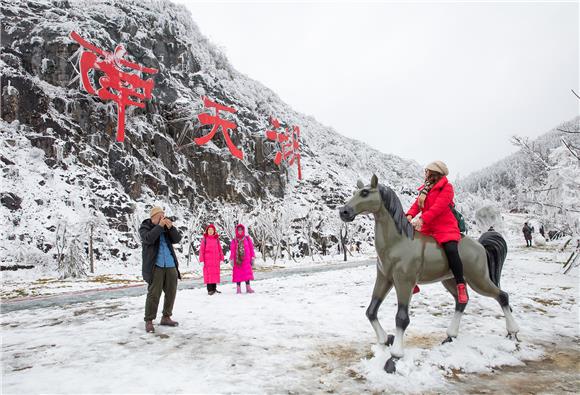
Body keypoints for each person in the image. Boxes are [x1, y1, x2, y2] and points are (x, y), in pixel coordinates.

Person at [406, 160, 468, 304]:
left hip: (445, 227)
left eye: (427, 171)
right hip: (427, 227)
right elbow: (417, 205)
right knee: (408, 245)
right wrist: (409, 215)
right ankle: (411, 281)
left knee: (452, 250)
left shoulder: (447, 188)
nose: (425, 174)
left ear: (435, 173)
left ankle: (460, 285)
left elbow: (438, 207)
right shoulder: (425, 189)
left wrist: (422, 220)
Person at [139, 206, 182, 333]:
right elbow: (148, 239)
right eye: (159, 216)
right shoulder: (145, 227)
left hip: (170, 264)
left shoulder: (165, 228)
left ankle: (166, 316)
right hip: (155, 265)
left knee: (171, 291)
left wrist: (171, 228)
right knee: (154, 294)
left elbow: (177, 239)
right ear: (153, 217)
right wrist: (159, 227)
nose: (162, 218)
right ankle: (149, 320)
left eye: (163, 215)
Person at [230, 223, 256, 294]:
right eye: (239, 230)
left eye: (241, 230)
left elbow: (251, 249)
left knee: (247, 273)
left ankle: (248, 287)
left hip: (247, 259)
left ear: (243, 230)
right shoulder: (234, 240)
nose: (240, 231)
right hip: (237, 260)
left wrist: (253, 257)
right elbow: (232, 250)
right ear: (236, 231)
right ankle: (238, 288)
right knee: (238, 274)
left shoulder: (247, 239)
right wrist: (231, 259)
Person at [199, 224, 224, 295]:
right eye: (209, 230)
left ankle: (214, 288)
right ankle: (210, 290)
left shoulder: (216, 239)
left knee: (214, 275)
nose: (210, 231)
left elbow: (220, 249)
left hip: (215, 260)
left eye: (212, 230)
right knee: (209, 274)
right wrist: (202, 260)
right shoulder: (205, 239)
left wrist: (221, 258)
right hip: (207, 260)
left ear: (214, 231)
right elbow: (201, 250)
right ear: (207, 231)